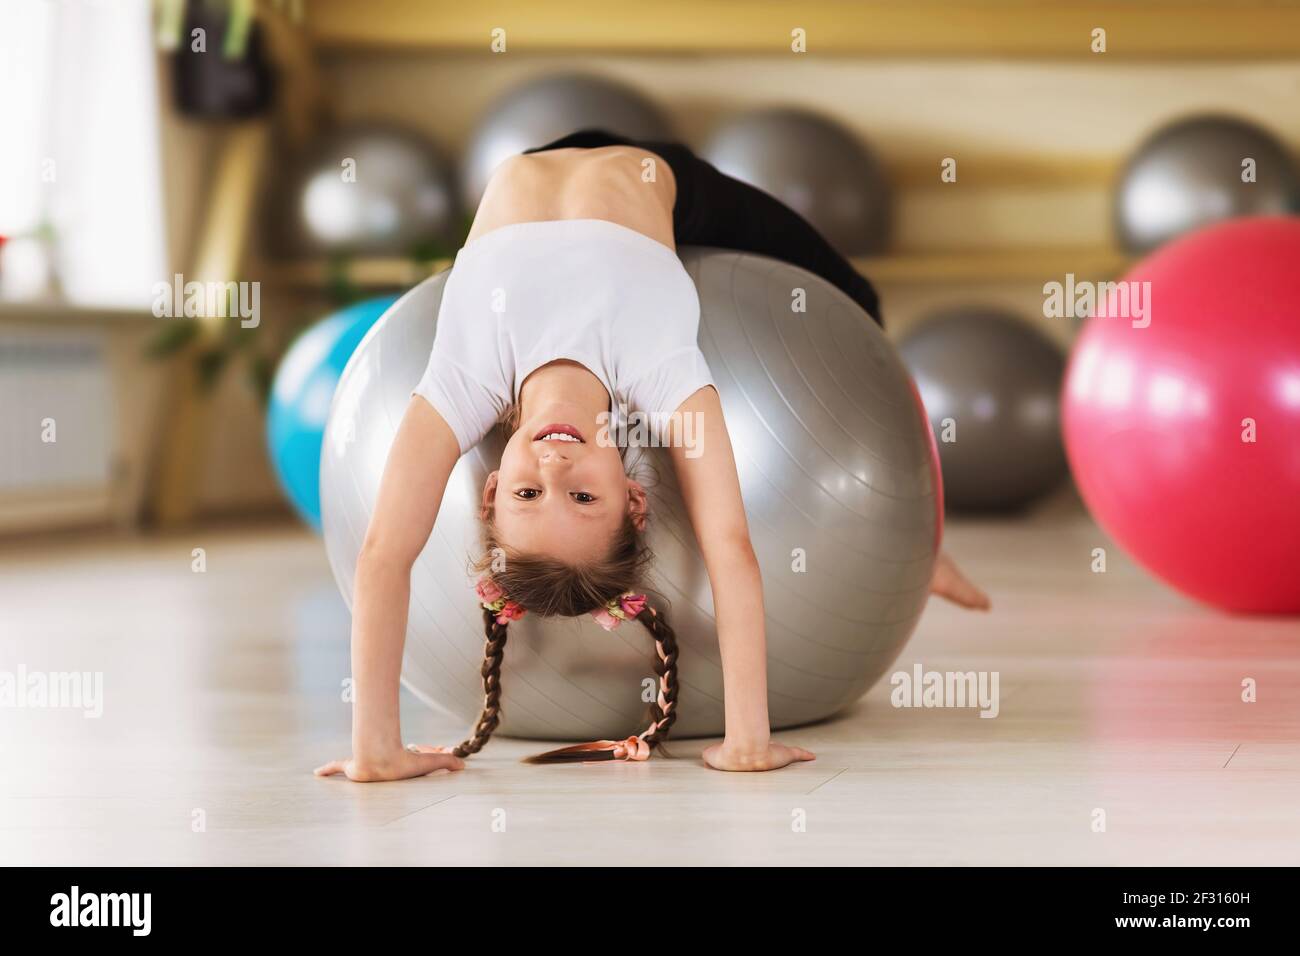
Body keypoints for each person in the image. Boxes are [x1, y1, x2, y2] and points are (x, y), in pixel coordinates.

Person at [315, 131, 989, 783]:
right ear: (634, 496)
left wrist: (375, 748)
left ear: (489, 490)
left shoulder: (464, 379)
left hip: (550, 146)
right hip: (660, 177)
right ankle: (921, 538)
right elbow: (730, 549)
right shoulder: (662, 372)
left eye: (527, 495)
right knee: (855, 301)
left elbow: (382, 554)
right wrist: (746, 739)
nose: (553, 472)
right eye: (583, 499)